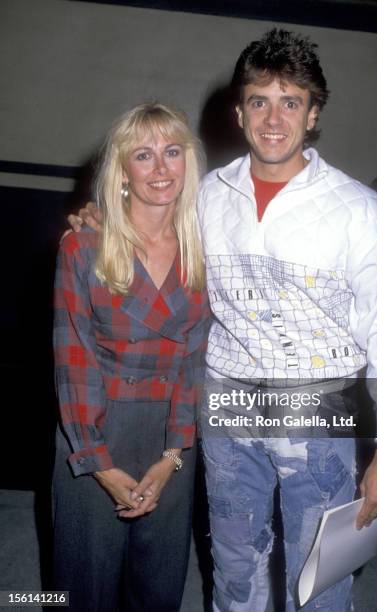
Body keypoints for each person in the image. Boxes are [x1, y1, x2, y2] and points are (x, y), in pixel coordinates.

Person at [69, 30, 377, 612]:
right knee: (235, 580)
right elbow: (146, 223)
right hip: (229, 415)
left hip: (318, 417)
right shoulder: (206, 197)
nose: (274, 117)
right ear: (239, 112)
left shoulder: (360, 213)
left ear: (314, 114)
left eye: (291, 101)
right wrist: (97, 218)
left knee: (321, 586)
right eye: (259, 100)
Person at [53, 102, 210, 612]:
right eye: (143, 155)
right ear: (122, 171)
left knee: (159, 590)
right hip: (96, 428)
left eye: (172, 152)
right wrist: (98, 463)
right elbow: (73, 361)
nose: (161, 169)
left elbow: (193, 361)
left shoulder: (205, 248)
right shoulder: (84, 246)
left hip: (170, 433)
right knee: (82, 590)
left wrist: (173, 456)